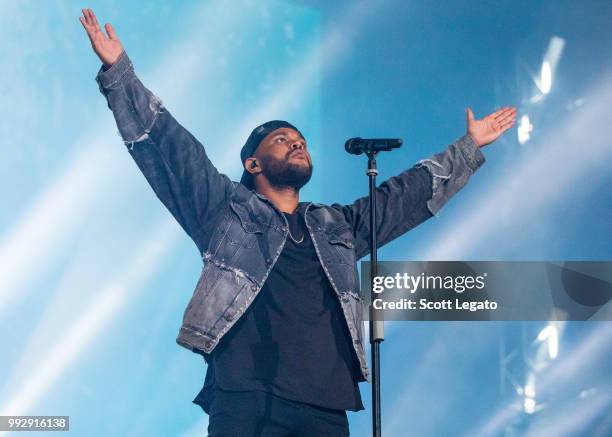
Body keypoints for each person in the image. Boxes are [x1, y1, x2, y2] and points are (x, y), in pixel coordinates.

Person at [80, 8, 516, 436]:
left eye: (301, 141)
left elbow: (402, 199)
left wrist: (468, 148)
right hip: (246, 396)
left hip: (326, 404)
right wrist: (120, 72)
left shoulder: (336, 226)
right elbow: (173, 150)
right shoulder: (225, 211)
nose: (296, 144)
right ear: (253, 163)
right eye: (282, 140)